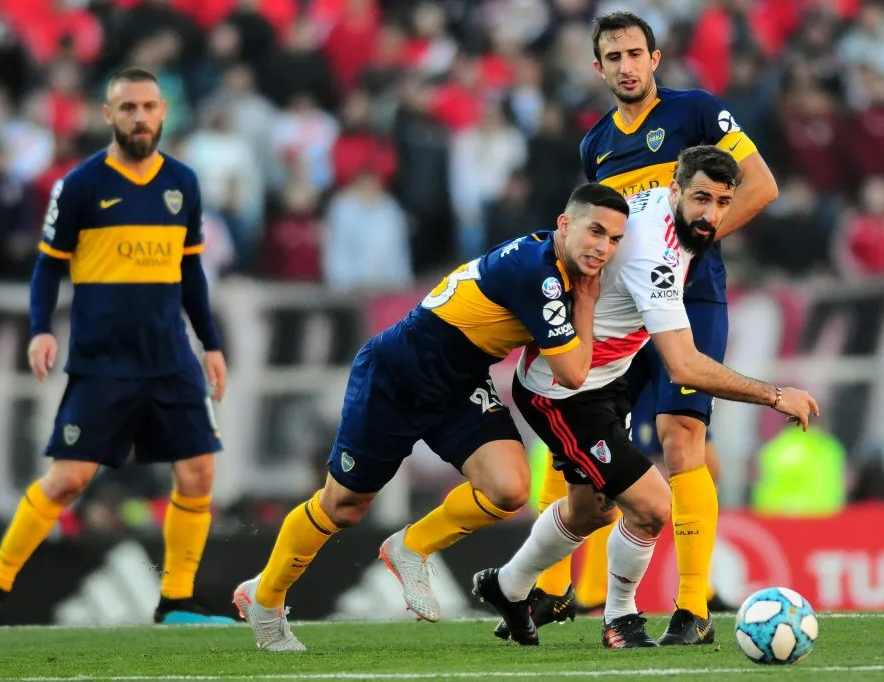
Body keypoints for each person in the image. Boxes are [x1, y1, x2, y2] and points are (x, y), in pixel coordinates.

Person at [233, 183, 627, 652]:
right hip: (398, 374)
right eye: (595, 231)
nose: (603, 247)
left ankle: (412, 546)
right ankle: (266, 597)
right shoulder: (540, 275)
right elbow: (573, 371)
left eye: (614, 240)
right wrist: (585, 301)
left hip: (458, 383)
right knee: (343, 506)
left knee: (508, 488)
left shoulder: (553, 263)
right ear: (565, 224)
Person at [475, 145, 818, 648]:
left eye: (723, 202)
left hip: (607, 377)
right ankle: (621, 619)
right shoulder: (651, 254)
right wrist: (773, 394)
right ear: (676, 190)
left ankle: (507, 586)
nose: (712, 215)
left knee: (591, 509)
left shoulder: (664, 210)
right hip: (564, 392)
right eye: (701, 198)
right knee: (653, 506)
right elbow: (683, 365)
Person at [522, 10, 780, 643]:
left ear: (655, 58)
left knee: (680, 435)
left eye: (636, 54)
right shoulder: (596, 144)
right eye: (614, 58)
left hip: (694, 302)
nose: (627, 66)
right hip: (624, 313)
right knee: (578, 431)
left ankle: (693, 610)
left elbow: (762, 185)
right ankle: (554, 591)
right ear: (599, 68)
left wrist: (690, 248)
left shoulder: (695, 112)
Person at [0, 67, 232, 628]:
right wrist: (40, 329)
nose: (140, 117)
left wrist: (211, 344)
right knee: (69, 479)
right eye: (128, 107)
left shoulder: (184, 184)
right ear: (108, 115)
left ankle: (176, 601)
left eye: (150, 107)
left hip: (171, 357)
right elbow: (46, 268)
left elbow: (191, 273)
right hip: (104, 360)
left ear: (162, 113)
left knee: (198, 472)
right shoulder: (80, 185)